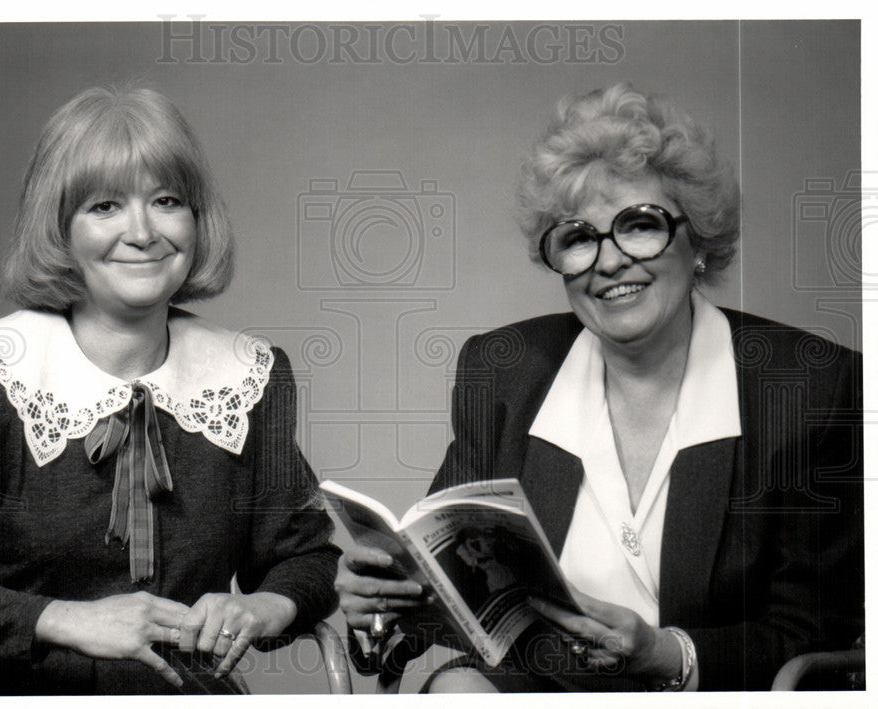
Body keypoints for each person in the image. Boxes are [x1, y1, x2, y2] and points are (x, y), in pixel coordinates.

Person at [335, 83, 863, 692]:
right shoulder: (505, 372)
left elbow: (817, 635)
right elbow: (450, 594)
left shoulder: (812, 387)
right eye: (580, 237)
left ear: (699, 243)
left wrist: (671, 655)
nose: (609, 262)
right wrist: (379, 606)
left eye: (639, 225)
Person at [0, 86, 339, 695]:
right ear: (60, 227)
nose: (143, 232)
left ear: (196, 218)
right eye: (105, 206)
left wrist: (263, 609)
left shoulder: (248, 379)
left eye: (166, 201)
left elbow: (304, 558)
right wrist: (63, 620)